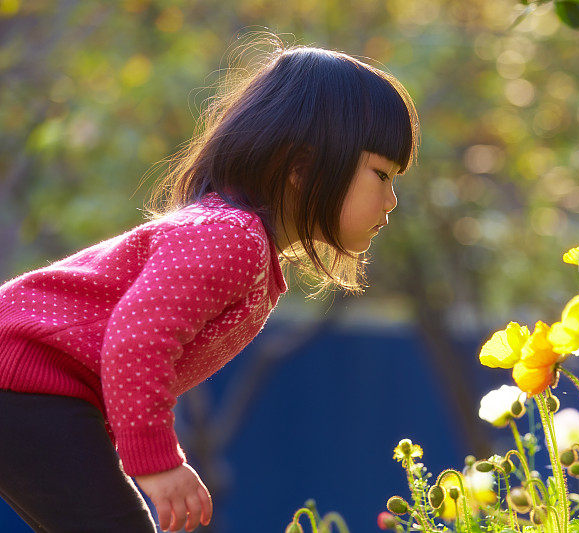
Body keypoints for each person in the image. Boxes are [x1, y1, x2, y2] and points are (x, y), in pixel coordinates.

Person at [0, 40, 419, 533]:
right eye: (382, 175)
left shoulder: (239, 243)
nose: (391, 201)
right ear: (301, 168)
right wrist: (157, 460)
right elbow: (136, 338)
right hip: (29, 380)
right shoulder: (230, 237)